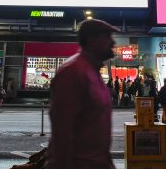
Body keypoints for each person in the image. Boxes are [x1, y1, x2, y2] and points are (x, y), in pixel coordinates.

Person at [46, 19, 118, 169]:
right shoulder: (73, 72)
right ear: (91, 40)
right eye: (107, 37)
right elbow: (62, 130)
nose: (113, 42)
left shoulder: (93, 71)